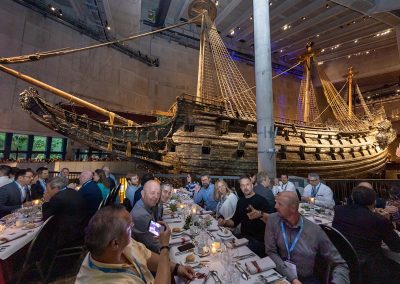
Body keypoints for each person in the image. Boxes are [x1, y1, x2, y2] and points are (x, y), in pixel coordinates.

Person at [76, 205, 195, 283]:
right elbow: (155, 237)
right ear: (115, 243)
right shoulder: (141, 215)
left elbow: (148, 257)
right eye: (130, 227)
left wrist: (177, 268)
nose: (156, 196)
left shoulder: (124, 244)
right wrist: (164, 247)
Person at [265, 192, 349, 284]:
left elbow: (341, 264)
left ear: (293, 208)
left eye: (280, 204)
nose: (275, 206)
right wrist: (292, 278)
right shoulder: (273, 220)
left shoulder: (314, 231)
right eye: (276, 202)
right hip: (281, 274)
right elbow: (271, 251)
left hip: (306, 279)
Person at [332, 185, 400, 284]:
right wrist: (387, 220)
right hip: (369, 266)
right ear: (374, 202)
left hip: (343, 258)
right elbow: (396, 246)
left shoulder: (339, 210)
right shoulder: (378, 220)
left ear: (352, 198)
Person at [218, 175, 273, 257]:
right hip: (243, 239)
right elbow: (234, 221)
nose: (245, 187)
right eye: (242, 185)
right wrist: (224, 222)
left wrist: (260, 214)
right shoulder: (241, 201)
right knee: (222, 248)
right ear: (240, 187)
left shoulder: (261, 200)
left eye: (247, 184)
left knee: (231, 255)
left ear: (252, 185)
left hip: (258, 241)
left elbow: (272, 220)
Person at [42, 176, 88, 248]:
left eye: (48, 190)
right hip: (80, 228)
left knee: (42, 234)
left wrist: (46, 201)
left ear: (57, 188)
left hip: (68, 235)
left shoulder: (58, 198)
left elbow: (46, 219)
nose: (46, 192)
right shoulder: (73, 191)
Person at [130, 180, 162, 252]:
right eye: (152, 193)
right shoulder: (142, 215)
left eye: (158, 194)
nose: (156, 197)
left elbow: (156, 230)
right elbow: (154, 245)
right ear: (143, 194)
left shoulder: (146, 205)